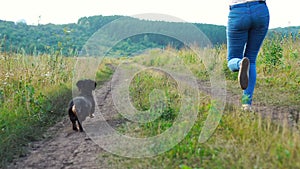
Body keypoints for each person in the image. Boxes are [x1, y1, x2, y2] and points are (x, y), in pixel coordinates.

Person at [227, 0, 270, 111]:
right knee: (251, 59)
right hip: (260, 10)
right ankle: (246, 104)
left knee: (232, 59)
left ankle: (240, 63)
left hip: (238, 11)